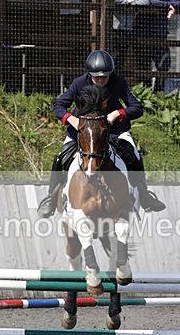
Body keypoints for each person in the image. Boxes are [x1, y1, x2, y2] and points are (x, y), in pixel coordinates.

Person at [36, 50, 166, 218]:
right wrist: (71, 119)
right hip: (83, 132)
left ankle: (145, 193)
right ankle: (51, 197)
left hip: (113, 132)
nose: (101, 80)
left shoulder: (118, 83)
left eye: (104, 77)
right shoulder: (79, 83)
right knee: (61, 157)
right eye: (97, 77)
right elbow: (58, 105)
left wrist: (119, 113)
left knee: (135, 155)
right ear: (89, 74)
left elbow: (137, 107)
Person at [104, 0, 150, 73]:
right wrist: (126, 2)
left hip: (128, 28)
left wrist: (133, 3)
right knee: (112, 56)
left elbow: (146, 0)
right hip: (113, 27)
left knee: (121, 57)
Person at [137, 0, 180, 73]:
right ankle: (144, 88)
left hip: (160, 39)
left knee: (164, 65)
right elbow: (149, 1)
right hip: (144, 39)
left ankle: (159, 88)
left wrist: (170, 5)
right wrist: (167, 6)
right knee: (144, 68)